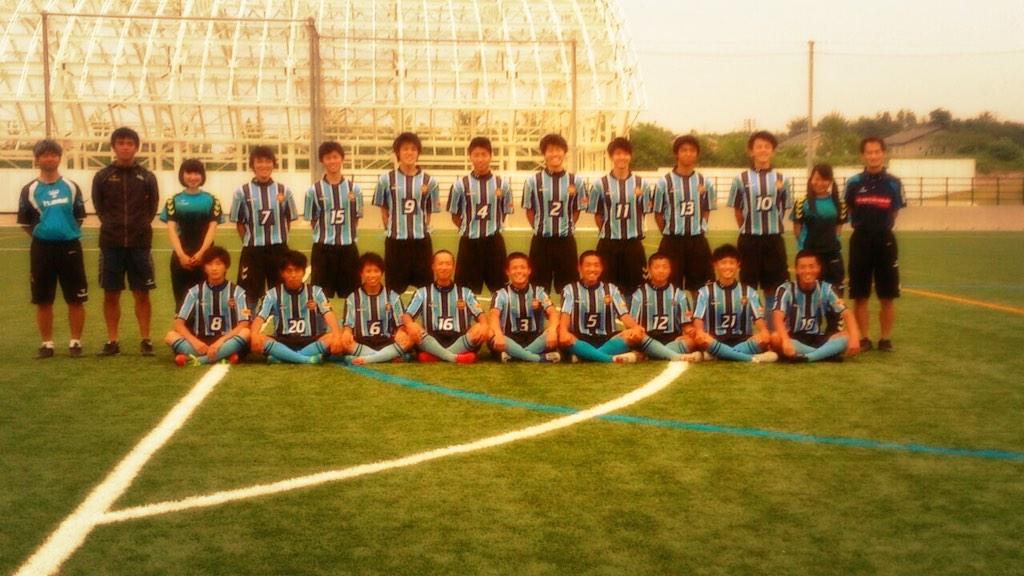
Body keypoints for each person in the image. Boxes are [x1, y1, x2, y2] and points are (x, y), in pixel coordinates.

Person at [92, 126, 160, 356]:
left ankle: (146, 339)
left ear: (136, 147)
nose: (125, 147)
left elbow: (152, 207)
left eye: (130, 143)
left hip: (140, 244)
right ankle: (112, 340)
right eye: (120, 143)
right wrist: (114, 226)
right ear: (114, 147)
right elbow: (99, 207)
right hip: (111, 243)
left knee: (142, 293)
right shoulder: (102, 176)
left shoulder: (147, 177)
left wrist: (138, 226)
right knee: (111, 294)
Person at [18, 139, 88, 358]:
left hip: (70, 247)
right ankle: (47, 344)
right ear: (37, 159)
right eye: (45, 155)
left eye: (54, 155)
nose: (50, 158)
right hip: (42, 249)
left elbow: (79, 217)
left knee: (75, 298)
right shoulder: (29, 190)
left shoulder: (71, 186)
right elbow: (26, 222)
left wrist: (64, 232)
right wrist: (45, 234)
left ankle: (75, 342)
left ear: (59, 158)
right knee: (43, 299)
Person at [845, 137, 906, 352]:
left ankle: (885, 338)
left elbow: (894, 211)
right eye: (869, 152)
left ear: (883, 153)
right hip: (860, 240)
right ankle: (864, 337)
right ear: (863, 156)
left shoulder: (894, 183)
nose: (873, 156)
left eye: (877, 151)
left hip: (885, 240)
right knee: (860, 294)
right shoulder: (853, 183)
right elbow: (849, 209)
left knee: (887, 295)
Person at [727, 131, 792, 325]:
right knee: (748, 289)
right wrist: (749, 228)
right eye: (759, 146)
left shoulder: (782, 179)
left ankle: (772, 331)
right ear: (751, 151)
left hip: (773, 239)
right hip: (749, 239)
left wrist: (770, 226)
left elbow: (783, 208)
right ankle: (745, 332)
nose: (763, 150)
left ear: (772, 151)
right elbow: (738, 210)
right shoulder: (741, 179)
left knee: (774, 288)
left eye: (767, 146)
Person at [373, 132, 440, 295]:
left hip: (421, 244)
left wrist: (421, 228)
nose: (409, 152)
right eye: (405, 149)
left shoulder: (430, 181)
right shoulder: (385, 180)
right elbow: (384, 209)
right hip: (396, 244)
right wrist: (391, 229)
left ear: (418, 153)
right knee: (393, 293)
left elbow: (428, 211)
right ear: (398, 152)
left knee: (426, 293)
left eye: (413, 149)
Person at [230, 145, 298, 302]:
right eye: (259, 161)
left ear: (273, 164)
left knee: (282, 294)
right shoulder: (241, 192)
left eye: (268, 161)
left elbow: (287, 219)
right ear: (252, 165)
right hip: (253, 251)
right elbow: (239, 223)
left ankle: (280, 319)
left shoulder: (284, 191)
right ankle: (250, 319)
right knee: (248, 296)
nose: (264, 165)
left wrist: (279, 239)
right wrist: (250, 242)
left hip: (279, 250)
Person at [250, 250, 342, 364]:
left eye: (297, 270)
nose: (293, 275)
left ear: (303, 272)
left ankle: (283, 356)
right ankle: (305, 359)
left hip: (310, 340)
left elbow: (328, 314)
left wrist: (337, 336)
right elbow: (260, 318)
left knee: (333, 336)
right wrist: (254, 335)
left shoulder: (316, 292)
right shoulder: (272, 295)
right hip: (283, 341)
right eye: (289, 271)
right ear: (282, 273)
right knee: (258, 338)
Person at [447, 136, 514, 294]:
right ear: (470, 156)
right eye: (476, 154)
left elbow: (504, 212)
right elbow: (455, 215)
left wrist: (491, 227)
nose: (480, 159)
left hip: (494, 244)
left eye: (484, 154)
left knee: (500, 291)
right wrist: (470, 229)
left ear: (491, 156)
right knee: (464, 293)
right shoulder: (460, 185)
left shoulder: (502, 184)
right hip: (469, 245)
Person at [164, 246, 250, 366]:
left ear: (226, 267)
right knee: (170, 336)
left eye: (218, 264)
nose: (214, 268)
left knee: (246, 332)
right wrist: (195, 342)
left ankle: (199, 360)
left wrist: (220, 341)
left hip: (226, 340)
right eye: (209, 264)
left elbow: (244, 323)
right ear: (204, 268)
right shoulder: (194, 292)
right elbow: (179, 323)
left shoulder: (238, 292)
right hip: (201, 341)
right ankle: (224, 355)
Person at [692, 244, 778, 363]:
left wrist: (764, 332)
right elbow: (698, 320)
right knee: (702, 338)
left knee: (764, 338)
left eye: (731, 263)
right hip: (714, 340)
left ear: (738, 265)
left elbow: (759, 320)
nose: (728, 267)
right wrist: (700, 332)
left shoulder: (749, 292)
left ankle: (717, 354)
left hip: (742, 340)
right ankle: (750, 358)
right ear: (715, 265)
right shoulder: (704, 292)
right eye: (723, 263)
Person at [522, 133, 585, 296]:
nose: (554, 154)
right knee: (537, 289)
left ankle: (567, 314)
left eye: (558, 149)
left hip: (566, 243)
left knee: (569, 289)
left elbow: (576, 210)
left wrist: (566, 226)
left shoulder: (576, 181)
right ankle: (539, 314)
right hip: (541, 243)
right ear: (544, 154)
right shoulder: (533, 181)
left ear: (564, 152)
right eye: (550, 150)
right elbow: (529, 210)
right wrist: (540, 227)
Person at [771, 250, 861, 362]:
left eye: (811, 266)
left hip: (816, 337)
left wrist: (854, 337)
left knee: (847, 336)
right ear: (797, 270)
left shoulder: (826, 289)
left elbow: (847, 313)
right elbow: (777, 316)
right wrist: (785, 340)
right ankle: (826, 354)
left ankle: (808, 357)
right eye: (803, 267)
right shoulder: (785, 289)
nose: (807, 271)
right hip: (793, 337)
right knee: (775, 338)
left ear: (819, 268)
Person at [556, 251, 646, 363]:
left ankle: (584, 355)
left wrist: (636, 328)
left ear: (602, 268)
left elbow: (624, 316)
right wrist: (563, 332)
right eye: (588, 265)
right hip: (579, 338)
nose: (592, 269)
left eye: (596, 265)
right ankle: (609, 359)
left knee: (630, 335)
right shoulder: (570, 289)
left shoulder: (611, 289)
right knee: (565, 337)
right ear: (579, 268)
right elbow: (565, 316)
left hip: (606, 338)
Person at [587, 137, 651, 295]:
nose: (622, 157)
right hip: (608, 245)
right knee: (606, 290)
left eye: (625, 153)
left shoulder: (642, 184)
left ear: (631, 156)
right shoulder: (600, 184)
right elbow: (598, 214)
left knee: (637, 290)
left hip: (633, 244)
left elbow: (643, 211)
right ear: (611, 156)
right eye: (618, 153)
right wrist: (609, 230)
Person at [654, 135, 716, 295]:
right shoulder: (664, 182)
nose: (688, 153)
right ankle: (674, 313)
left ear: (697, 154)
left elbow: (706, 209)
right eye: (684, 150)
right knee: (669, 289)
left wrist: (699, 226)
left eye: (692, 150)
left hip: (697, 242)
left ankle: (698, 313)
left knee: (701, 290)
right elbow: (658, 213)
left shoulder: (705, 182)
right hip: (672, 242)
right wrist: (669, 232)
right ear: (676, 153)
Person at [401, 250, 489, 363]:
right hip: (431, 339)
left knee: (480, 327)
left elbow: (480, 315)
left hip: (459, 339)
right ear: (433, 267)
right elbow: (407, 316)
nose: (444, 267)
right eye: (440, 264)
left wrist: (484, 324)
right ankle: (454, 357)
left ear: (453, 267)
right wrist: (410, 324)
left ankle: (436, 356)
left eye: (448, 264)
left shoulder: (466, 293)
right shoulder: (422, 293)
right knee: (412, 327)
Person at [161, 158, 222, 310]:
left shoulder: (212, 200)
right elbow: (171, 229)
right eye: (189, 173)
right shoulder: (173, 201)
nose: (193, 177)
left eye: (197, 173)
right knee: (182, 304)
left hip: (206, 257)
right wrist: (181, 255)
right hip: (180, 257)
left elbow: (212, 228)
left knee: (206, 303)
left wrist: (202, 253)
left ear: (202, 176)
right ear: (182, 175)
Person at [305, 141, 362, 300]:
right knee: (320, 298)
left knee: (352, 297)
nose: (332, 161)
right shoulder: (313, 191)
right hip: (323, 251)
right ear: (322, 161)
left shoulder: (355, 189)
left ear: (342, 159)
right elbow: (313, 220)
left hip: (348, 250)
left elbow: (355, 218)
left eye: (335, 157)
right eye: (328, 158)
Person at [336, 252, 414, 365]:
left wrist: (401, 332)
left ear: (382, 273)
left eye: (376, 271)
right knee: (343, 342)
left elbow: (401, 325)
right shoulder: (353, 298)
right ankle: (387, 357)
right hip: (362, 342)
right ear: (361, 273)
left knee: (411, 338)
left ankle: (368, 359)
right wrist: (346, 334)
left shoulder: (393, 296)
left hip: (386, 341)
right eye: (368, 271)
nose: (372, 275)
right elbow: (348, 326)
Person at [488, 252, 562, 363]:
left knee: (558, 330)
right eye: (514, 268)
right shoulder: (501, 294)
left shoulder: (539, 292)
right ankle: (538, 358)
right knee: (490, 333)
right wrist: (498, 334)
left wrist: (552, 330)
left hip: (535, 341)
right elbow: (494, 315)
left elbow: (553, 313)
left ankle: (514, 356)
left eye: (522, 267)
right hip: (509, 341)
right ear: (507, 272)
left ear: (529, 271)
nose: (519, 271)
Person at [630, 253, 701, 362]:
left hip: (671, 339)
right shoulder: (639, 294)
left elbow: (686, 325)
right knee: (634, 337)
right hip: (647, 339)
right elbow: (633, 325)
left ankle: (652, 354)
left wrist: (690, 332)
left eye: (665, 267)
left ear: (670, 270)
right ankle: (671, 354)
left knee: (692, 341)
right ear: (649, 270)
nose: (661, 270)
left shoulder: (679, 294)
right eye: (657, 267)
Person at [792, 163, 846, 292]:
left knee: (835, 294)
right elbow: (797, 230)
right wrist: (805, 251)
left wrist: (830, 245)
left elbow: (838, 230)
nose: (819, 183)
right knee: (808, 294)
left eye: (824, 179)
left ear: (830, 181)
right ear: (811, 179)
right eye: (816, 179)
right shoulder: (801, 203)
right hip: (809, 255)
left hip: (832, 255)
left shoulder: (839, 204)